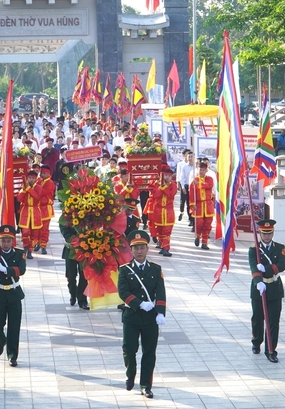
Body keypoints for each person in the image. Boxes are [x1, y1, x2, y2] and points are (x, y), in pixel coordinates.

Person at [118, 230, 167, 399]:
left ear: (147, 249)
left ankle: (146, 385)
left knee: (149, 353)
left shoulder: (156, 269)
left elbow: (161, 293)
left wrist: (160, 313)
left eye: (142, 248)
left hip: (150, 319)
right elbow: (123, 292)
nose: (139, 251)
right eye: (136, 248)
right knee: (129, 350)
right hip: (131, 317)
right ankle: (130, 375)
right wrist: (140, 304)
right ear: (131, 250)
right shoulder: (124, 270)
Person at [248, 219, 285, 364]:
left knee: (273, 322)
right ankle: (256, 342)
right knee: (258, 319)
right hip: (260, 289)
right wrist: (258, 282)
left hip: (275, 288)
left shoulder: (279, 247)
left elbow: (282, 265)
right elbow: (253, 267)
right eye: (264, 234)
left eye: (269, 234)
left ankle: (271, 351)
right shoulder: (254, 250)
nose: (267, 237)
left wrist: (268, 269)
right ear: (260, 233)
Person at [0, 225, 27, 366]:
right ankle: (1, 340)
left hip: (13, 294)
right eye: (2, 241)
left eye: (8, 241)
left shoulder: (19, 253)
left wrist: (7, 270)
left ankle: (12, 355)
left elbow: (22, 269)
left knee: (14, 327)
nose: (5, 244)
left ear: (12, 241)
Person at [60, 223, 89, 309]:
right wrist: (75, 240)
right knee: (71, 276)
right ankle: (73, 293)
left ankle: (82, 300)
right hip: (70, 251)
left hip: (85, 250)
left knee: (84, 276)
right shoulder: (66, 218)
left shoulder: (88, 215)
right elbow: (65, 232)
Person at [16, 170, 43, 259]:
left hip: (35, 211)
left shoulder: (39, 187)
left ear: (36, 179)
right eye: (29, 178)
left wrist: (28, 189)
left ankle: (30, 250)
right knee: (25, 231)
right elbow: (19, 199)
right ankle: (25, 247)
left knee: (34, 233)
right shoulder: (23, 187)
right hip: (25, 211)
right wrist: (24, 190)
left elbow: (37, 197)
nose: (31, 180)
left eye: (33, 178)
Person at [151, 167, 176, 257]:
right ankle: (162, 245)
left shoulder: (173, 185)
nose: (168, 177)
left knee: (167, 230)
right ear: (162, 175)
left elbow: (171, 194)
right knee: (160, 230)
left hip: (168, 211)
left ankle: (166, 248)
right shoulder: (156, 184)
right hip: (158, 210)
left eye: (169, 176)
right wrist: (161, 187)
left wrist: (164, 187)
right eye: (166, 175)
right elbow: (156, 195)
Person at [189, 162, 214, 250]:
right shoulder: (194, 180)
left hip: (208, 204)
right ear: (198, 169)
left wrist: (198, 184)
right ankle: (198, 236)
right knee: (199, 223)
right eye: (200, 170)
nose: (202, 171)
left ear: (206, 170)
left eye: (203, 170)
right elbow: (191, 194)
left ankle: (204, 242)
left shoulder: (209, 179)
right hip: (199, 205)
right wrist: (192, 204)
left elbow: (209, 186)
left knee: (207, 225)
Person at [36, 165, 55, 255]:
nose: (42, 175)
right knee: (38, 228)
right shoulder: (39, 181)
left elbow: (42, 192)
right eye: (41, 173)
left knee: (44, 229)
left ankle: (43, 245)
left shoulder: (50, 183)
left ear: (48, 174)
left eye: (44, 173)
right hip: (39, 208)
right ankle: (38, 243)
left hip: (46, 208)